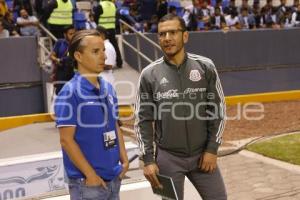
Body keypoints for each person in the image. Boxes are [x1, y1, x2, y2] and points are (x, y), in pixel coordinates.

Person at [135, 14, 227, 200]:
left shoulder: (205, 66)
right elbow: (142, 120)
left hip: (203, 156)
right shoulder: (148, 74)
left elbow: (218, 110)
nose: (167, 38)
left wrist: (212, 149)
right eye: (162, 34)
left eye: (173, 32)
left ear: (185, 36)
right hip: (167, 159)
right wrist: (148, 160)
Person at [54, 29, 129, 200]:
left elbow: (115, 124)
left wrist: (124, 160)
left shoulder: (108, 88)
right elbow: (66, 140)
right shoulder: (70, 92)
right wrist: (91, 175)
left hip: (113, 177)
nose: (103, 56)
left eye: (103, 50)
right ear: (78, 56)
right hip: (88, 184)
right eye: (95, 51)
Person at [50, 25, 75, 95]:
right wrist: (57, 60)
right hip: (61, 71)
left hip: (73, 71)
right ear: (65, 35)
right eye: (70, 34)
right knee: (60, 92)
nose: (73, 36)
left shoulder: (77, 44)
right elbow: (52, 56)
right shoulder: (60, 42)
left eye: (74, 33)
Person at [99, 0, 123, 68]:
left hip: (102, 29)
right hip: (112, 28)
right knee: (115, 45)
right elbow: (116, 15)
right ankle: (119, 62)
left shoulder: (101, 5)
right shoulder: (113, 5)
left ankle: (106, 62)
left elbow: (96, 17)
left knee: (102, 46)